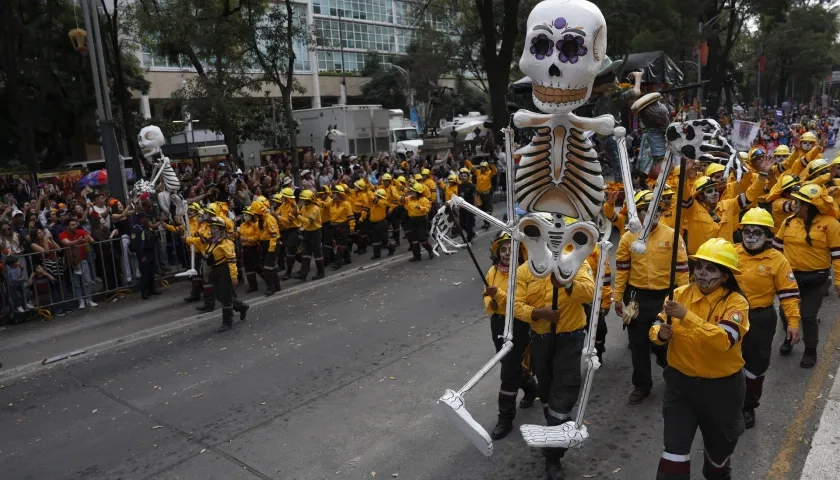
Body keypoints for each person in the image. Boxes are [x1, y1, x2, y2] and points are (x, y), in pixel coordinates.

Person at [649, 238, 749, 480]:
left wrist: (686, 316)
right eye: (699, 266)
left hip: (722, 392)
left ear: (725, 276)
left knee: (717, 463)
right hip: (680, 388)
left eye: (711, 268)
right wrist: (659, 334)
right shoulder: (678, 294)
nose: (702, 273)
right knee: (673, 458)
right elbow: (658, 324)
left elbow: (724, 340)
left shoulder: (737, 303)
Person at [514, 255, 595, 480]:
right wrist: (539, 313)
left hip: (570, 340)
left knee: (563, 396)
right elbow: (516, 305)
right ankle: (556, 430)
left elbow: (590, 292)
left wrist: (567, 283)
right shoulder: (525, 270)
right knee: (547, 395)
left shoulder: (576, 261)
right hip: (541, 341)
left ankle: (553, 456)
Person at [614, 190, 689, 404]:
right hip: (636, 298)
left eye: (655, 209)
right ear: (637, 213)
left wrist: (684, 298)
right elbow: (622, 270)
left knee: (662, 342)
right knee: (637, 344)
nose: (652, 214)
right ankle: (642, 385)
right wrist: (617, 298)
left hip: (663, 298)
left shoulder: (672, 235)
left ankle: (672, 371)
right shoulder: (628, 238)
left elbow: (682, 270)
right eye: (646, 210)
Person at [734, 208, 800, 429]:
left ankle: (748, 406)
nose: (751, 237)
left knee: (756, 364)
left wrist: (793, 323)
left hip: (760, 319)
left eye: (757, 232)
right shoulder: (731, 253)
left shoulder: (778, 260)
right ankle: (726, 403)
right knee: (724, 360)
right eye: (747, 232)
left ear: (767, 235)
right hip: (730, 316)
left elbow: (789, 294)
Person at [773, 183, 840, 367]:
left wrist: (839, 280)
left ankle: (810, 349)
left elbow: (837, 255)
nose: (794, 205)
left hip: (816, 280)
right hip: (790, 280)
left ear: (809, 206)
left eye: (798, 202)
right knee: (786, 312)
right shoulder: (788, 222)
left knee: (808, 316)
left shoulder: (831, 225)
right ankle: (790, 338)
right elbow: (775, 250)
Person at [483, 232, 537, 440]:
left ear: (520, 251)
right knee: (509, 365)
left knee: (508, 372)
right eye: (503, 249)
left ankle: (505, 418)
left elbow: (520, 306)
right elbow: (486, 296)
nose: (507, 253)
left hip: (518, 325)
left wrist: (498, 295)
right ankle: (530, 387)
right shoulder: (492, 271)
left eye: (511, 249)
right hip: (498, 324)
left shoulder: (525, 272)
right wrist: (491, 302)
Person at [205, 217, 249, 333]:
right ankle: (241, 306)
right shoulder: (213, 242)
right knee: (220, 296)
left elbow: (232, 261)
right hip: (215, 270)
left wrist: (234, 276)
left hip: (224, 270)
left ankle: (227, 322)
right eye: (211, 228)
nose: (212, 230)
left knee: (225, 297)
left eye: (215, 228)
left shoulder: (226, 243)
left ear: (221, 229)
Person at [58, 218, 97, 309]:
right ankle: (81, 301)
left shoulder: (81, 232)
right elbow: (67, 243)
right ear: (67, 226)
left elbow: (92, 240)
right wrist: (79, 241)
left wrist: (89, 239)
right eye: (72, 225)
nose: (75, 226)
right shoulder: (62, 234)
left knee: (87, 281)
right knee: (76, 284)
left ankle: (89, 299)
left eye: (75, 224)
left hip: (83, 259)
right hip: (72, 262)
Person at [250, 198, 281, 296]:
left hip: (272, 244)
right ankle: (277, 286)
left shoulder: (269, 219)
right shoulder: (260, 220)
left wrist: (271, 250)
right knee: (271, 267)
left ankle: (271, 288)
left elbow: (273, 235)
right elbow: (260, 235)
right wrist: (249, 240)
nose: (254, 215)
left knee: (267, 268)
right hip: (265, 244)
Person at [294, 189, 325, 281]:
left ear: (309, 200)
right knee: (306, 254)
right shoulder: (304, 207)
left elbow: (309, 221)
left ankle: (321, 272)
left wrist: (297, 215)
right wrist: (301, 228)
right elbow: (302, 220)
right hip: (307, 232)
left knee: (317, 253)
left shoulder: (315, 209)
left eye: (304, 199)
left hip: (315, 232)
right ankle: (303, 274)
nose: (303, 201)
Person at [129, 212, 161, 300]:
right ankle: (144, 292)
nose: (147, 219)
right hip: (144, 254)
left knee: (151, 272)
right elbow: (136, 244)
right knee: (145, 273)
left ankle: (152, 289)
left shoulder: (146, 227)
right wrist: (141, 256)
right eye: (145, 218)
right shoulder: (136, 229)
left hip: (150, 252)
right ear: (141, 218)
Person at [273, 188, 301, 281]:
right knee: (293, 252)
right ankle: (305, 264)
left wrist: (277, 217)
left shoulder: (294, 206)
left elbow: (289, 220)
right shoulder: (283, 205)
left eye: (283, 196)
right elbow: (277, 215)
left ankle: (289, 272)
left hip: (293, 231)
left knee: (290, 252)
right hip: (285, 232)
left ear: (287, 197)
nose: (282, 198)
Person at [404, 182, 433, 262]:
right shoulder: (409, 199)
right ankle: (416, 255)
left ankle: (430, 249)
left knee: (422, 238)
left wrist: (420, 208)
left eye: (414, 192)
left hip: (422, 220)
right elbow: (400, 199)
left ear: (418, 193)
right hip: (412, 220)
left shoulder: (424, 200)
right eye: (412, 191)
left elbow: (427, 210)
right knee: (413, 239)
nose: (412, 193)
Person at [329, 185, 355, 270]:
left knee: (340, 245)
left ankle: (338, 261)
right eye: (333, 193)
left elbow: (351, 217)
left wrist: (352, 227)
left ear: (339, 194)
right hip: (334, 226)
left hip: (343, 227)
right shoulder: (332, 204)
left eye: (335, 193)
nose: (333, 195)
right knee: (341, 244)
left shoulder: (346, 204)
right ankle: (347, 258)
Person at [368, 189, 395, 259]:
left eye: (376, 195)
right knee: (375, 240)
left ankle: (391, 248)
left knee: (384, 239)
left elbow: (373, 199)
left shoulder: (382, 202)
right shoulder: (375, 204)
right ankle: (376, 254)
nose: (374, 196)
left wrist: (367, 190)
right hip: (374, 224)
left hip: (381, 223)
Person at [456, 168, 477, 242]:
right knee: (461, 224)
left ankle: (469, 240)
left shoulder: (471, 186)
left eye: (465, 176)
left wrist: (475, 207)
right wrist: (458, 207)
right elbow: (459, 197)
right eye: (462, 176)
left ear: (468, 177)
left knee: (469, 224)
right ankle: (472, 234)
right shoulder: (459, 186)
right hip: (462, 207)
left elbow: (475, 196)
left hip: (470, 207)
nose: (463, 177)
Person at [475, 162, 494, 230]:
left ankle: (487, 223)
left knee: (488, 209)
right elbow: (471, 167)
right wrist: (466, 160)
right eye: (481, 167)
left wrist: (493, 164)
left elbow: (495, 171)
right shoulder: (478, 172)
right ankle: (485, 222)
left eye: (483, 167)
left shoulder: (489, 173)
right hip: (479, 195)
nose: (482, 168)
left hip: (487, 194)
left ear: (486, 168)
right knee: (482, 209)